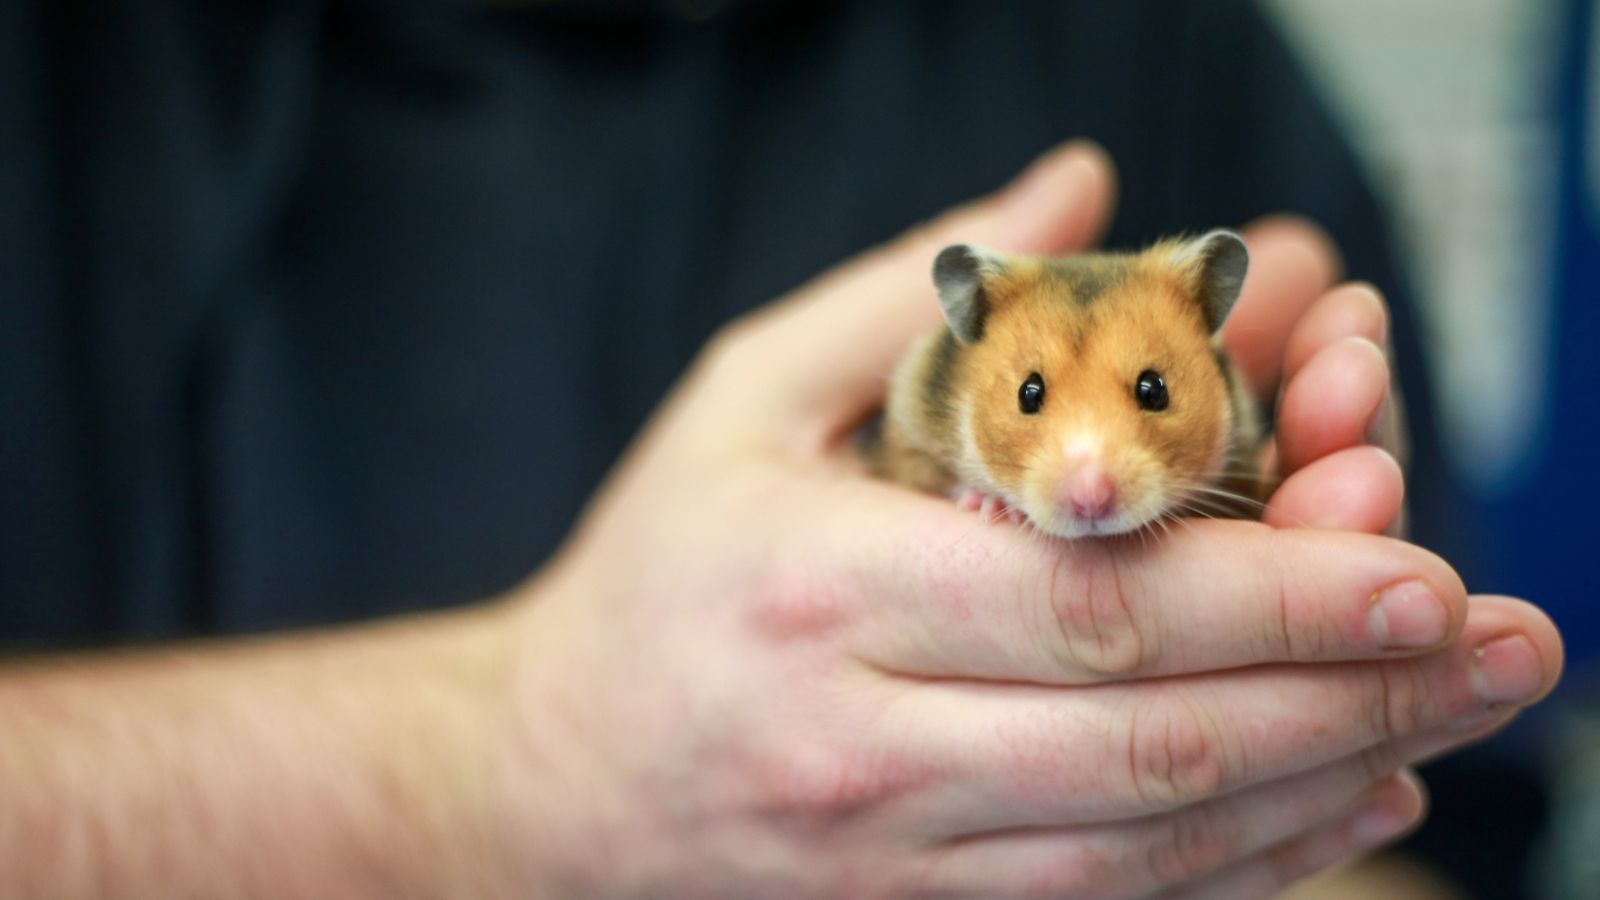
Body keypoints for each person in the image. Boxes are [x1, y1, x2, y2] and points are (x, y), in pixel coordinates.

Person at [0, 2, 1565, 896]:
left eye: (1152, 410)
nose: (1091, 474)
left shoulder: (1155, 46)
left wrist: (1243, 803)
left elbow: (1444, 840)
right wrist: (495, 768)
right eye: (1035, 418)